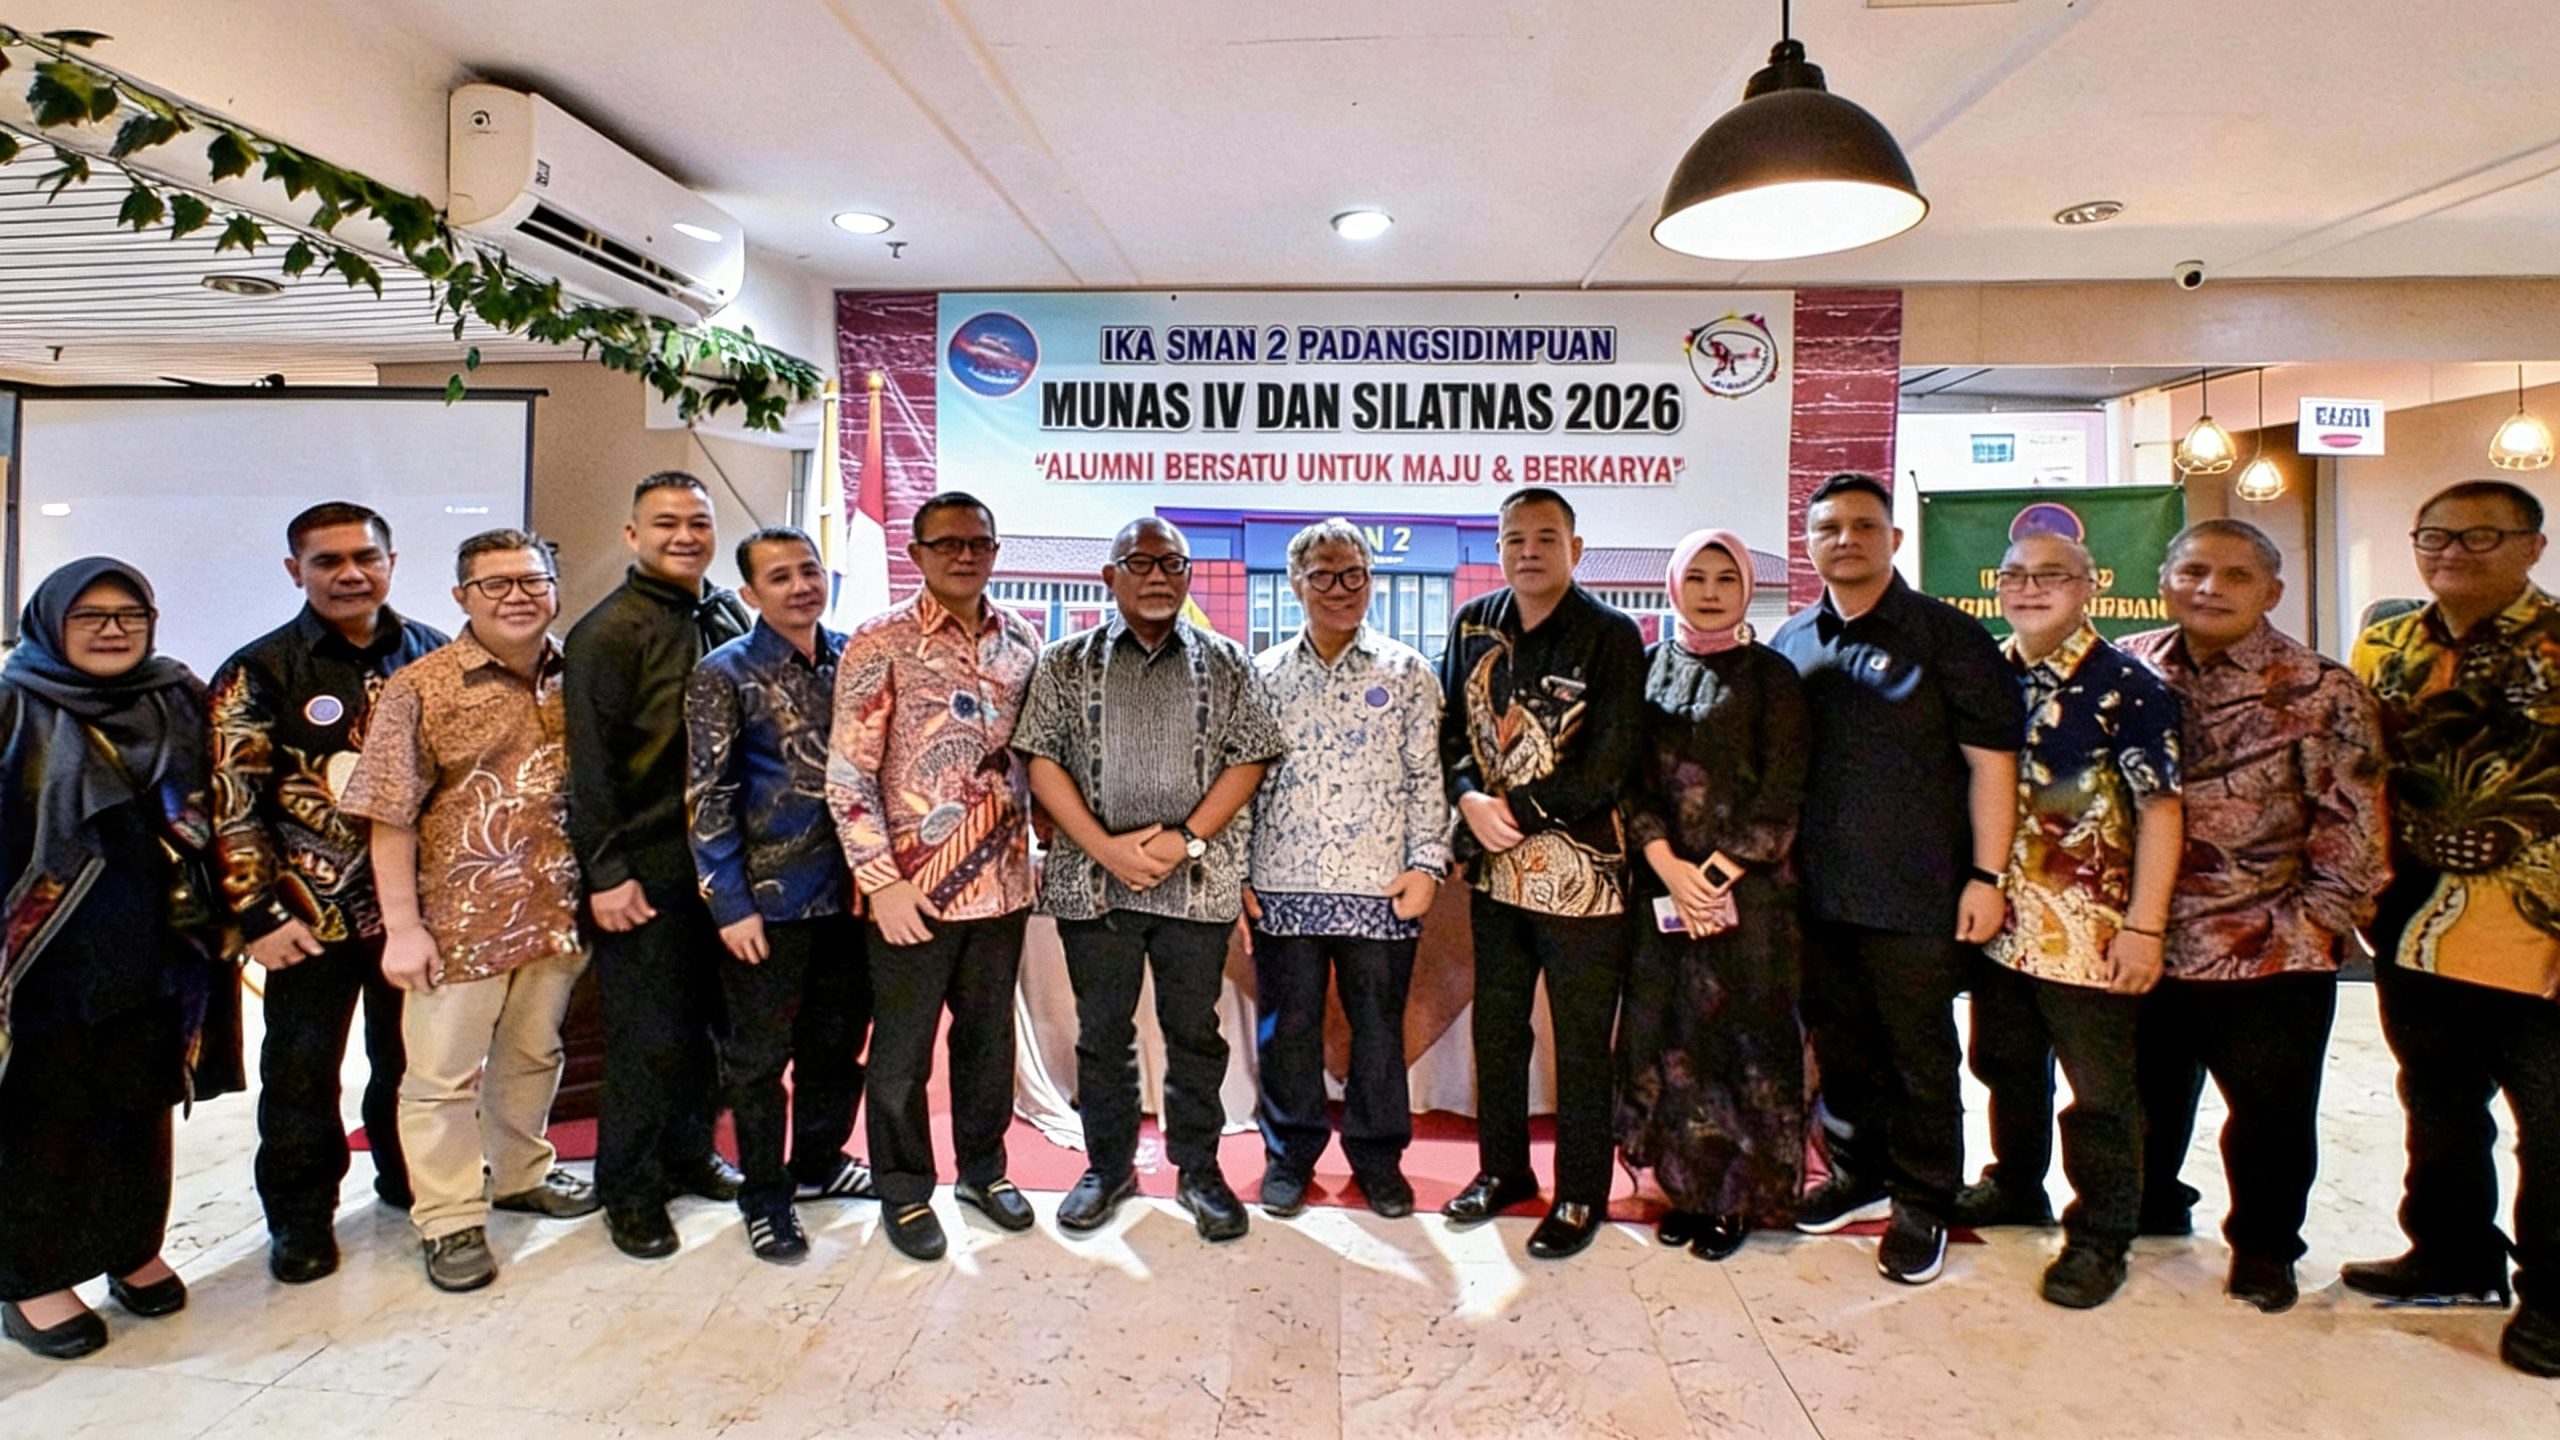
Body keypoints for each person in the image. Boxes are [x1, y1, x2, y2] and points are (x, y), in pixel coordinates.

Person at [2120, 519, 2389, 1314]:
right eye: (2193, 571)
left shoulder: (2320, 689)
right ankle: (2149, 1206)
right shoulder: (2128, 667)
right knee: (2142, 1097)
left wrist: (2318, 924)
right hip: (2144, 936)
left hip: (2269, 943)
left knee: (2270, 1116)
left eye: (2236, 576)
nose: (2210, 588)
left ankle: (2266, 1250)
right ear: (2165, 581)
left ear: (2272, 591)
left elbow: (2355, 820)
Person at [1768, 472, 2022, 1286]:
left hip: (1920, 892)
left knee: (1919, 1054)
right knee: (1841, 1046)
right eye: (1829, 528)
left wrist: (1986, 876)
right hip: (1817, 892)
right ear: (1809, 543)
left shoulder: (1948, 636)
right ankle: (1858, 1174)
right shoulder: (1792, 640)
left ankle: (1923, 1198)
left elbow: (1992, 767)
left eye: (1863, 526)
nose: (1846, 539)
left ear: (1894, 539)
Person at [1013, 516, 1286, 1243]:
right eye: (1141, 562)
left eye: (1172, 563)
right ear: (1110, 577)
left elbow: (1250, 758)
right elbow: (1041, 762)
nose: (1159, 575)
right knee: (1102, 1034)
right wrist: (1106, 849)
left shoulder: (1228, 662)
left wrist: (1185, 839)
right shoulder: (1065, 663)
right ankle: (1109, 1169)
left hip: (1195, 882)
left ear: (1189, 575)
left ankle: (1199, 1171)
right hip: (1092, 881)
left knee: (1193, 1033)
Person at [340, 530, 598, 1293]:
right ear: (462, 597)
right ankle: (449, 1218)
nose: (517, 595)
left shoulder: (578, 676)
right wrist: (403, 928)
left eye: (532, 580)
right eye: (495, 584)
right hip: (458, 924)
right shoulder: (420, 688)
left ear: (554, 588)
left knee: (533, 1056)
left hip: (556, 914)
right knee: (440, 1079)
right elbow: (389, 816)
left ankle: (521, 1173)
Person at [2345, 480, 2560, 1378]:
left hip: (2539, 930)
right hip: (2418, 920)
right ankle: (2453, 1253)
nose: (2452, 553)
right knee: (2436, 1102)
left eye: (2480, 536)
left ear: (2532, 546)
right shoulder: (2386, 642)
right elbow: (2362, 770)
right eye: (2435, 536)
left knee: (2551, 1125)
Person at [0, 558, 240, 1360]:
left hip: (161, 949)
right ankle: (31, 1279)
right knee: (42, 1120)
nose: (113, 630)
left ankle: (131, 1247)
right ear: (50, 623)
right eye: (91, 616)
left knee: (141, 1107)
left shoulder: (178, 696)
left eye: (129, 615)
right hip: (42, 956)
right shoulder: (13, 704)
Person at [209, 501, 449, 1285]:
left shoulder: (434, 655)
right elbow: (231, 802)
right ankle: (301, 1219)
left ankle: (408, 1180)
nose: (350, 574)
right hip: (306, 917)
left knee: (412, 1059)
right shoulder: (259, 670)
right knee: (303, 1073)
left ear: (391, 562)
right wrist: (257, 911)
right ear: (296, 571)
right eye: (328, 561)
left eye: (365, 557)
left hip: (416, 914)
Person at [1958, 532, 2183, 1309]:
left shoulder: (2128, 685)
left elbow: (2161, 809)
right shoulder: (1988, 672)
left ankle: (2101, 1234)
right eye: (2015, 575)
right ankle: (2016, 1185)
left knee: (2100, 1093)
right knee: (2005, 1064)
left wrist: (2146, 926)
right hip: (2002, 921)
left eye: (2051, 575)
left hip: (2093, 928)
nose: (2030, 588)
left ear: (2090, 586)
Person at [830, 493, 1043, 1263]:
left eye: (978, 542)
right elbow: (848, 777)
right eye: (947, 543)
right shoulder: (879, 640)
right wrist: (880, 882)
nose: (964, 555)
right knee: (903, 1055)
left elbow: (1032, 762)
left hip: (1003, 889)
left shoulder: (1022, 639)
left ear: (995, 551)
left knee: (987, 1047)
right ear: (916, 553)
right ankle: (904, 1188)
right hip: (911, 896)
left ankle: (984, 1172)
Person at [1438, 487, 1646, 1260]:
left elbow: (1611, 760)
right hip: (1495, 873)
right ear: (1498, 548)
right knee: (1498, 1030)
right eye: (1515, 538)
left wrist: (1515, 808)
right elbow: (1451, 731)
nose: (1529, 551)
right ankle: (1503, 1171)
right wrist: (1467, 796)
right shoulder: (1473, 624)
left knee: (1582, 1041)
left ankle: (1581, 1191)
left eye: (1546, 538)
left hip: (1583, 876)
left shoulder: (1611, 634)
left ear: (1575, 549)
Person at [565, 472, 754, 1259]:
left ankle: (690, 1151)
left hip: (725, 866)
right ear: (633, 536)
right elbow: (588, 767)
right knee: (646, 1037)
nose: (685, 536)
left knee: (710, 1026)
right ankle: (631, 1190)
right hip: (647, 867)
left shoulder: (727, 612)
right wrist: (607, 874)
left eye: (698, 523)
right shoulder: (607, 633)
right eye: (666, 523)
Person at [1245, 518, 1450, 1220]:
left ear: (1371, 580)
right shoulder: (1263, 675)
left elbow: (1427, 778)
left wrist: (1428, 864)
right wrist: (1237, 874)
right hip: (1283, 885)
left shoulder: (1407, 672)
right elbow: (1243, 781)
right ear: (1295, 583)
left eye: (1354, 574)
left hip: (1382, 888)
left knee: (1380, 1032)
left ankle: (1378, 1158)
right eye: (1324, 575)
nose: (1341, 589)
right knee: (1289, 1029)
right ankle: (1289, 1155)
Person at [1615, 529, 1808, 1262]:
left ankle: (1741, 1197)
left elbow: (1783, 788)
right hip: (1663, 892)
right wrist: (1670, 869)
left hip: (1751, 900)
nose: (1710, 591)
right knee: (1668, 1040)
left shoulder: (1773, 677)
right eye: (1696, 577)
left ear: (1747, 588)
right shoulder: (1648, 669)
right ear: (1673, 586)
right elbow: (1630, 782)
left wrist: (1716, 876)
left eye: (1726, 578)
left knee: (1743, 1042)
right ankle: (1685, 1190)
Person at [687, 526, 872, 1266]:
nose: (800, 586)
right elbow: (707, 795)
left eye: (808, 570)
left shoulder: (856, 657)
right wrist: (729, 904)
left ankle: (821, 1162)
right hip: (768, 902)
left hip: (852, 895)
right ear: (750, 592)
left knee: (837, 1045)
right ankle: (765, 1195)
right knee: (759, 1060)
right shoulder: (724, 672)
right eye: (780, 577)